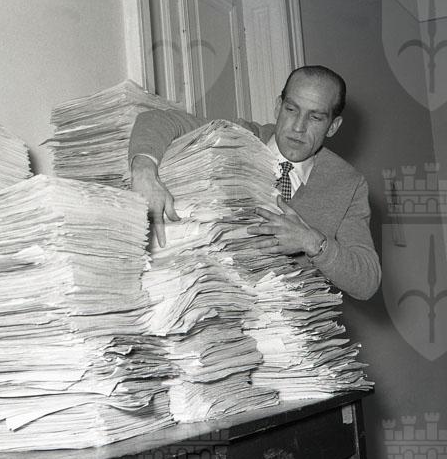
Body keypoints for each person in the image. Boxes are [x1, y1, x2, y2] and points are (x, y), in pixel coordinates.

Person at [128, 64, 381, 301]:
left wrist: (311, 242)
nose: (298, 127)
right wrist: (144, 171)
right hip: (203, 301)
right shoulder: (236, 136)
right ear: (278, 107)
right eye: (291, 110)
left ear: (333, 126)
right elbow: (157, 119)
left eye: (315, 118)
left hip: (282, 320)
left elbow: (367, 281)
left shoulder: (348, 184)